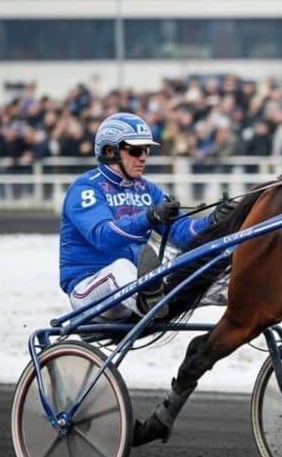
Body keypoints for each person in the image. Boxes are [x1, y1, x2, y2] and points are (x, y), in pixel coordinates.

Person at [59, 112, 235, 321]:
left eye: (146, 150)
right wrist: (149, 217)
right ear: (109, 151)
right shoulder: (85, 188)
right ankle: (155, 305)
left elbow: (182, 232)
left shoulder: (148, 189)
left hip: (136, 286)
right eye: (135, 150)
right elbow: (104, 237)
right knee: (121, 267)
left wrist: (214, 222)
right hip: (90, 292)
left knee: (217, 266)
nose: (143, 157)